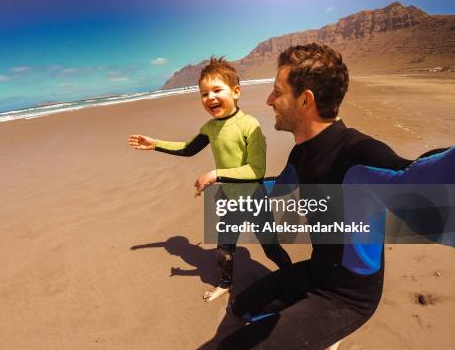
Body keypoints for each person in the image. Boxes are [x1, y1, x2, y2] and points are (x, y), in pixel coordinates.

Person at [219, 43, 453, 349]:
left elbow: (425, 182)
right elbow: (280, 187)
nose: (269, 100)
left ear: (305, 100)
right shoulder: (301, 153)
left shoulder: (359, 155)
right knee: (242, 307)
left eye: (278, 91)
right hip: (317, 272)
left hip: (348, 297)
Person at [128, 56, 291, 302]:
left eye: (217, 90)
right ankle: (225, 284)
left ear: (236, 92)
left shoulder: (249, 125)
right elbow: (188, 148)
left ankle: (293, 278)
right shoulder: (210, 128)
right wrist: (156, 144)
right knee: (224, 249)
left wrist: (215, 174)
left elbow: (256, 170)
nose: (210, 98)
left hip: (254, 198)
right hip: (230, 200)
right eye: (204, 94)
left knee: (271, 247)